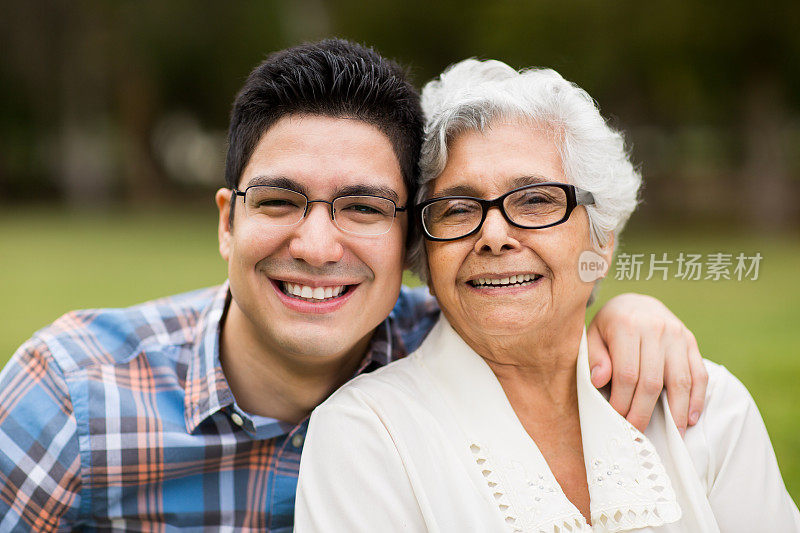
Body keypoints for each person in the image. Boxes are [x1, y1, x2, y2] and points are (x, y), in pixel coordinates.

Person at [0, 40, 706, 532]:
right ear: (227, 222)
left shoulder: (449, 349)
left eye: (362, 208)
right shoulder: (72, 396)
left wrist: (628, 314)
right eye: (279, 201)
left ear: (409, 244)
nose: (314, 245)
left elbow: (537, 313)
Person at [294, 59, 800, 532]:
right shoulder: (363, 436)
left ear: (602, 242)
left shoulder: (707, 407)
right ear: (425, 257)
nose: (494, 235)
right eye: (458, 209)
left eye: (536, 199)